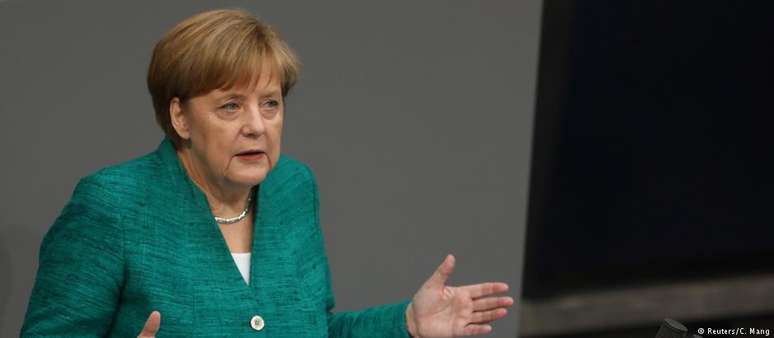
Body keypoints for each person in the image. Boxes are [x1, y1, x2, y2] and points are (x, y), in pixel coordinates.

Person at [21, 8, 513, 337]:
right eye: (231, 106)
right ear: (180, 117)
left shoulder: (294, 188)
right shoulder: (112, 206)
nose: (257, 126)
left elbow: (312, 329)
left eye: (270, 104)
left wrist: (405, 322)